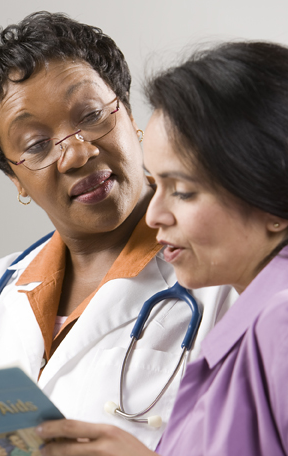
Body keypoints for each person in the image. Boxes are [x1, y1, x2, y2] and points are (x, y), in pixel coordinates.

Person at [0, 12, 235, 452]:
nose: (76, 153)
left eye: (91, 114)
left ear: (128, 111)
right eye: (36, 145)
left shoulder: (229, 278)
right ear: (15, 180)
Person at [35, 41, 288, 455]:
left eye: (183, 192)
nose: (154, 216)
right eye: (156, 184)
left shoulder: (281, 321)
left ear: (276, 200)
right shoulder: (251, 322)